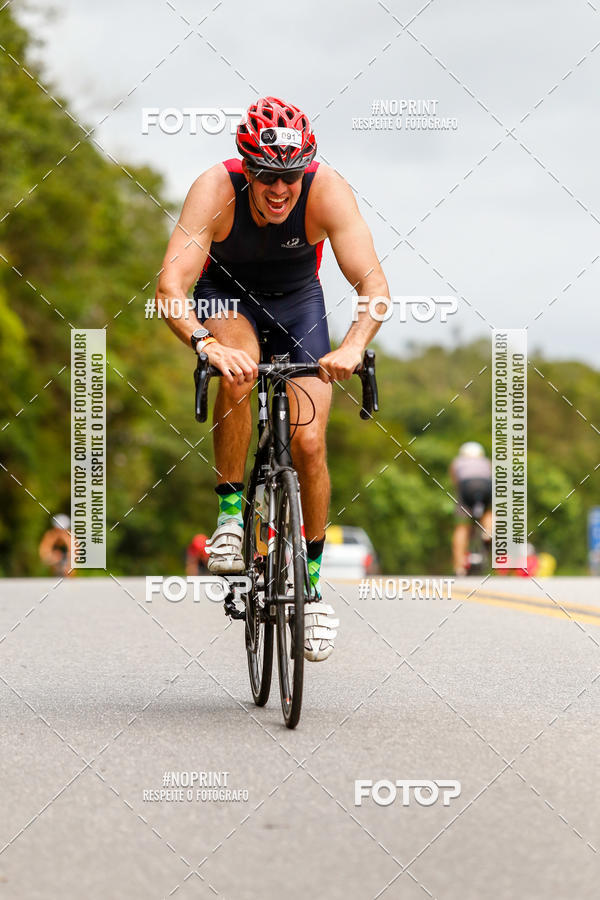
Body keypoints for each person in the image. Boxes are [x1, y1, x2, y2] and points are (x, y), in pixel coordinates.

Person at [156, 96, 389, 661]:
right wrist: (205, 344)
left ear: (304, 167)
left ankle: (309, 587)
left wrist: (354, 346)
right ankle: (232, 516)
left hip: (298, 305)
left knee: (309, 442)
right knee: (238, 369)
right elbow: (170, 289)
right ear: (247, 167)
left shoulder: (326, 189)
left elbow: (374, 286)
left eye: (290, 175)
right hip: (226, 300)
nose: (280, 189)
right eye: (266, 176)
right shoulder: (213, 189)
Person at [449, 442, 493, 576]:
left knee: (462, 527)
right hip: (485, 486)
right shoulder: (486, 462)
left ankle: (459, 566)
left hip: (466, 487)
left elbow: (455, 482)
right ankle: (488, 531)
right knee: (488, 512)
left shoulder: (457, 462)